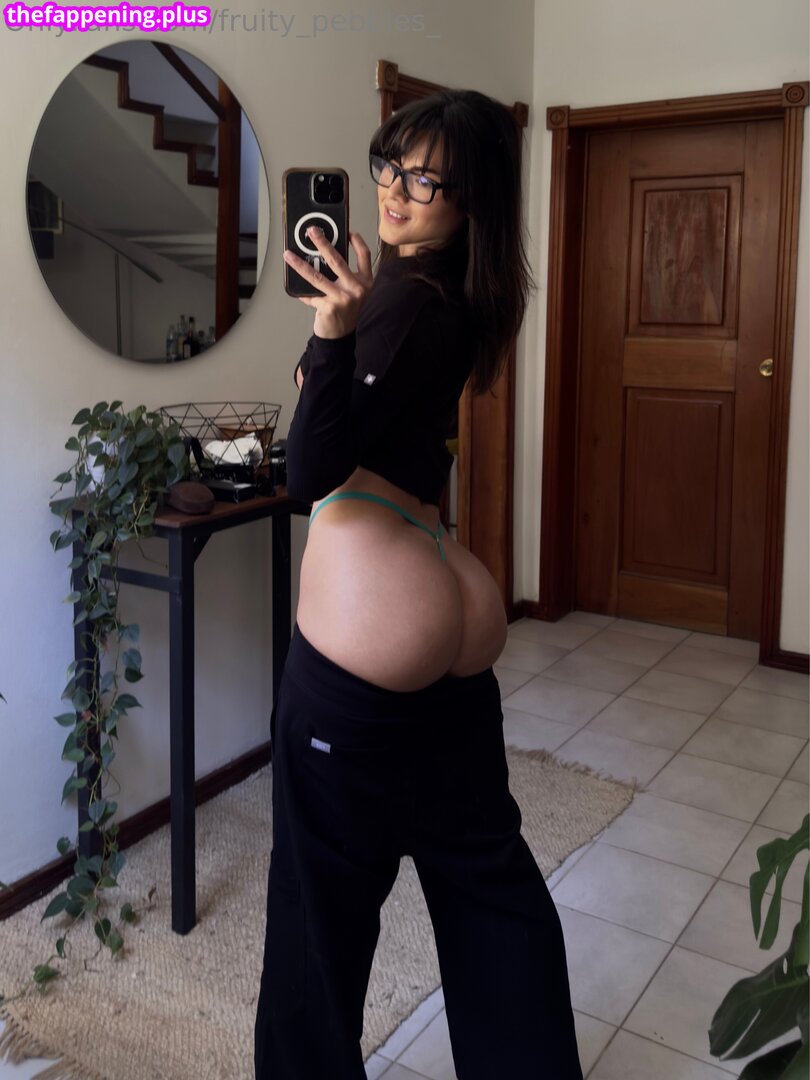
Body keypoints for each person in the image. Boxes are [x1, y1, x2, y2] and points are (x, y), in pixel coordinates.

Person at [254, 89, 583, 1080]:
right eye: (389, 167)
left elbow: (308, 476)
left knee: (316, 927)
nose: (395, 191)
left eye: (425, 179)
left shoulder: (398, 301)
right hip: (449, 629)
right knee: (491, 898)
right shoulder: (458, 295)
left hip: (371, 653)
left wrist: (330, 333)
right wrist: (346, 325)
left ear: (470, 197)